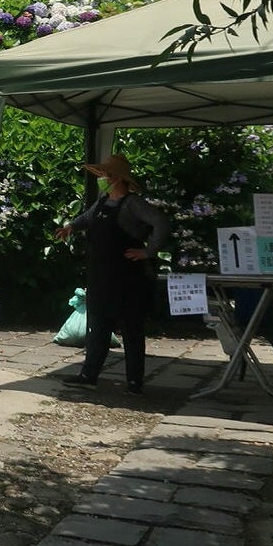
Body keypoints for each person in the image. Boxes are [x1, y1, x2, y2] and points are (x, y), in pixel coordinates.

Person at [53, 153, 171, 394]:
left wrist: (148, 251)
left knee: (131, 330)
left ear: (118, 178)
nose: (102, 178)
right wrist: (71, 227)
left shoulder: (133, 203)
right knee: (97, 327)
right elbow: (88, 218)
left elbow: (161, 222)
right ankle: (89, 375)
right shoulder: (104, 200)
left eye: (106, 175)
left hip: (128, 278)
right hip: (101, 276)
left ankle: (134, 381)